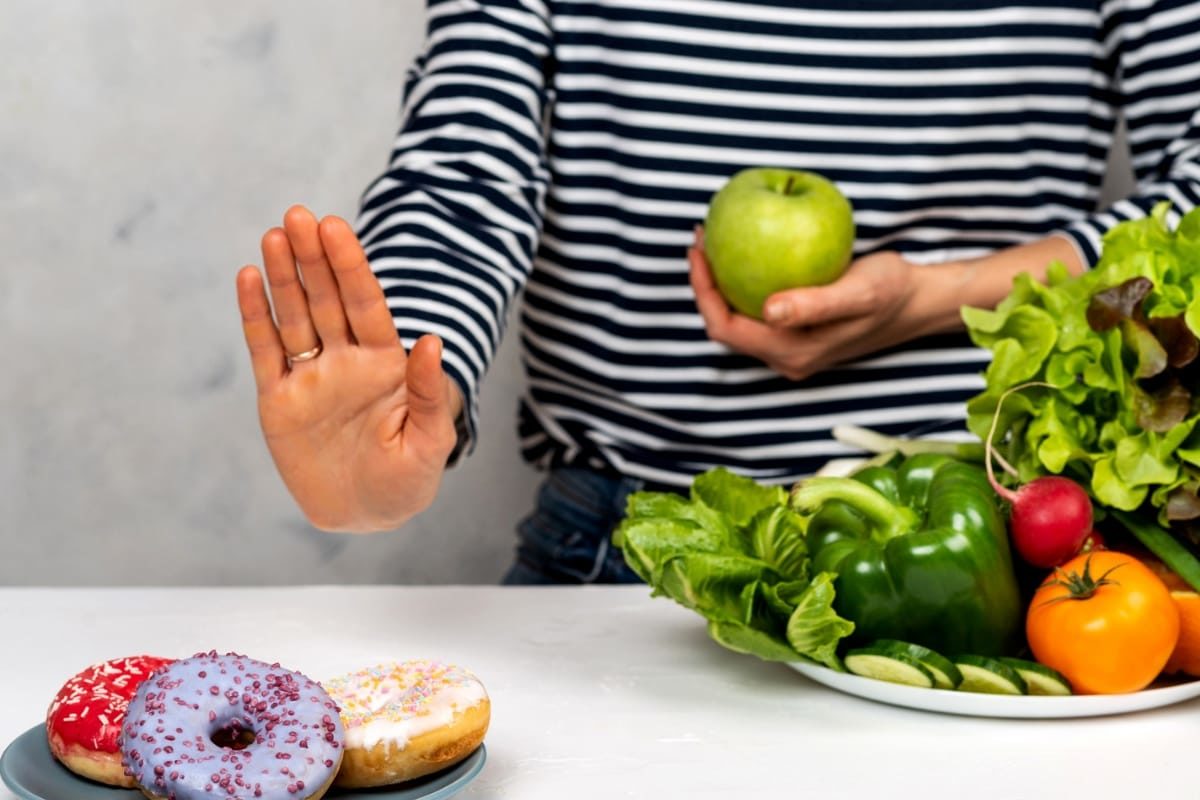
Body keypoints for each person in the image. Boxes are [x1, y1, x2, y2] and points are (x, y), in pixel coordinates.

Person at [236, 1, 1200, 585]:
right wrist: (408, 380)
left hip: (1003, 554)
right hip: (621, 553)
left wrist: (943, 295)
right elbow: (465, 162)